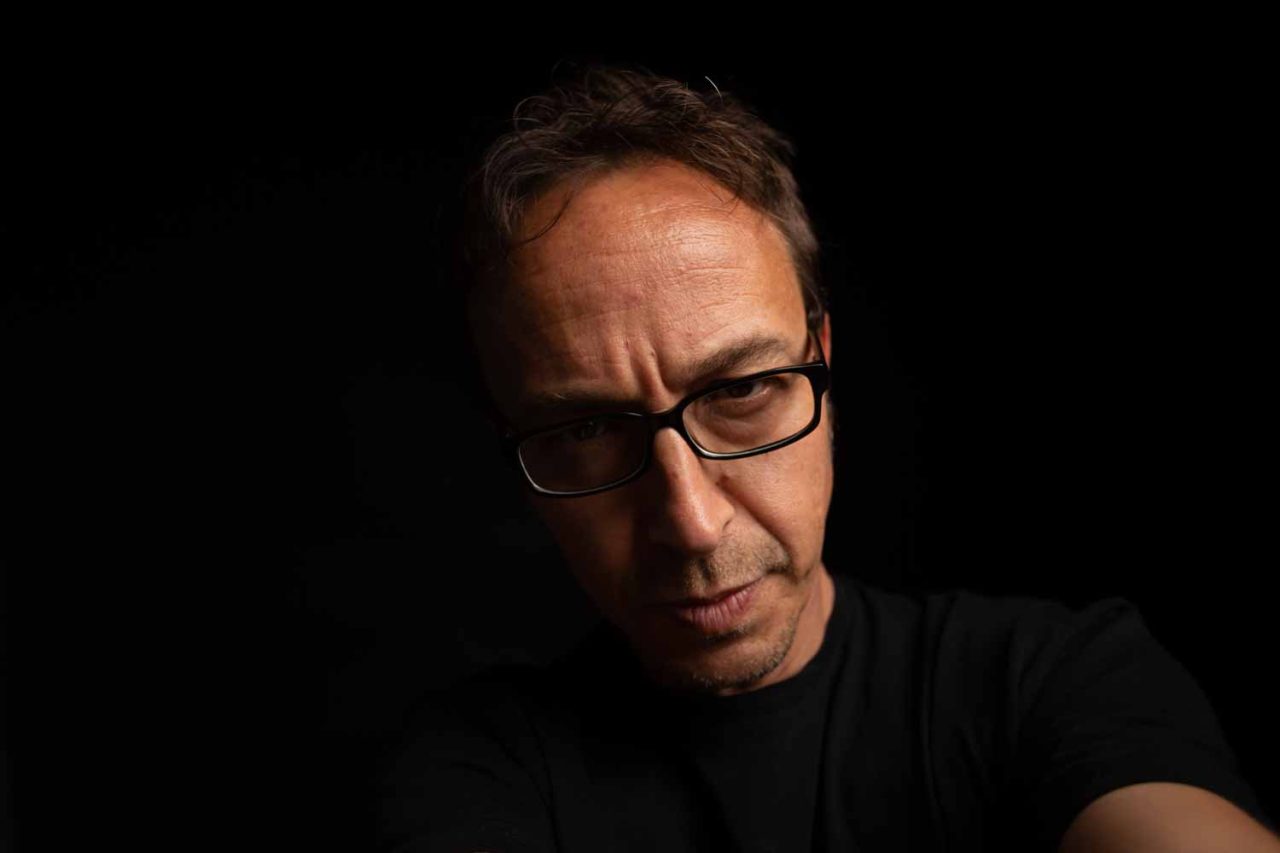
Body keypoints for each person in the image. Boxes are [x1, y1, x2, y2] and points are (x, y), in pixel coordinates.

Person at [373, 62, 1278, 852]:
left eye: (740, 389)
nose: (692, 522)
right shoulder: (476, 768)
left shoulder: (1052, 681)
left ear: (825, 364)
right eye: (586, 430)